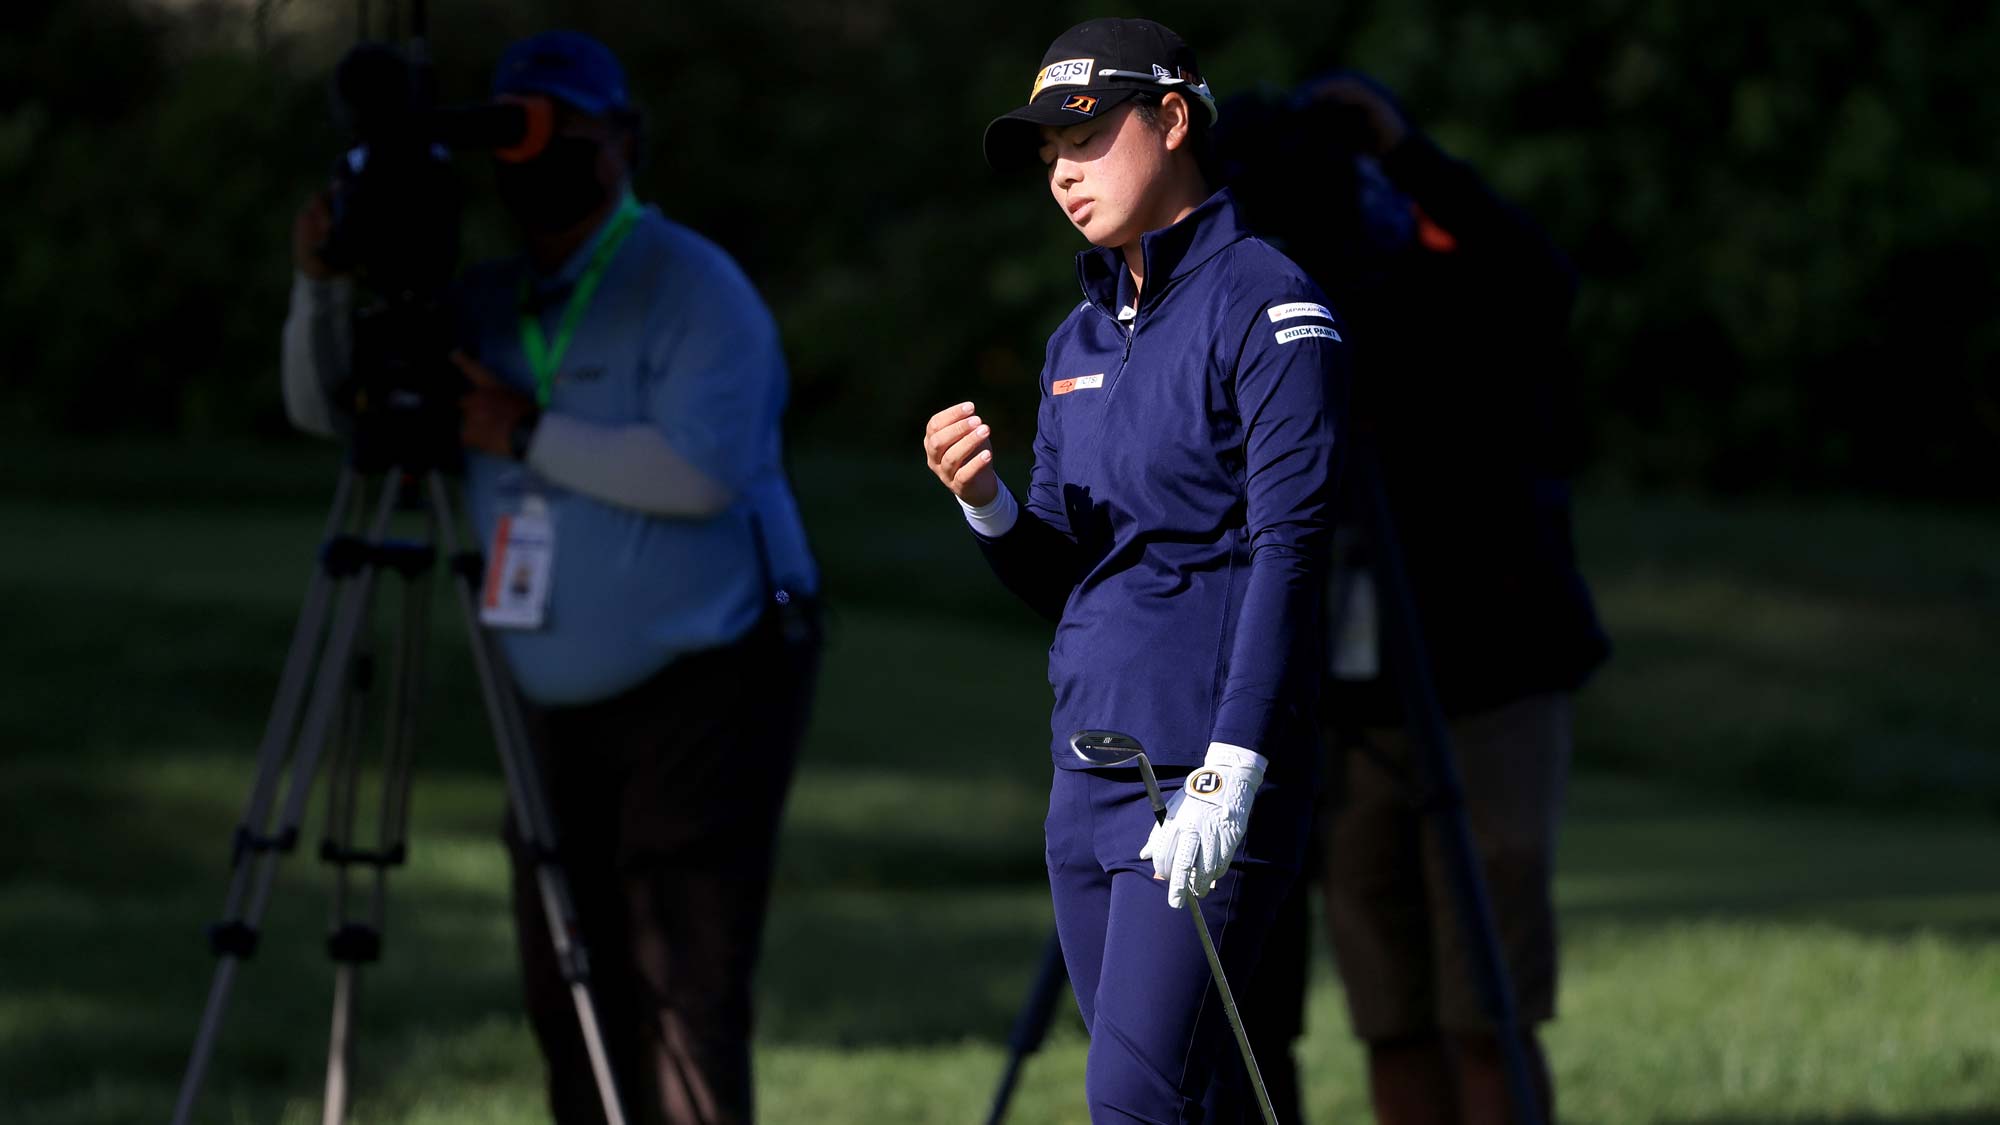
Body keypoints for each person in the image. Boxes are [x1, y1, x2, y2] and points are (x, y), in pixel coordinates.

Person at [281, 30, 821, 1125]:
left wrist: (520, 429)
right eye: (515, 135)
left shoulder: (690, 285)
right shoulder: (486, 299)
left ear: (620, 143)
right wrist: (318, 289)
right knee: (566, 978)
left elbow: (702, 473)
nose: (539, 157)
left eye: (563, 133)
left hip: (709, 674)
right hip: (551, 705)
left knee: (680, 982)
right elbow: (319, 406)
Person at [923, 18, 1349, 1122]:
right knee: (1180, 1099)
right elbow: (1067, 572)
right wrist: (986, 505)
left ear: (1170, 119)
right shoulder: (1077, 341)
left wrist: (1233, 765)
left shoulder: (1267, 301)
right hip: (1088, 771)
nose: (1062, 169)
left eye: (1087, 133)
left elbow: (1291, 549)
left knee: (1133, 1100)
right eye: (1047, 151)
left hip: (1199, 772)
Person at [1218, 72, 1611, 1125]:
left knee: (1482, 1006)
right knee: (1388, 1011)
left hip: (1484, 678)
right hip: (1351, 709)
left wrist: (1402, 152)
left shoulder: (1448, 292)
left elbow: (1538, 281)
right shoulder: (1277, 326)